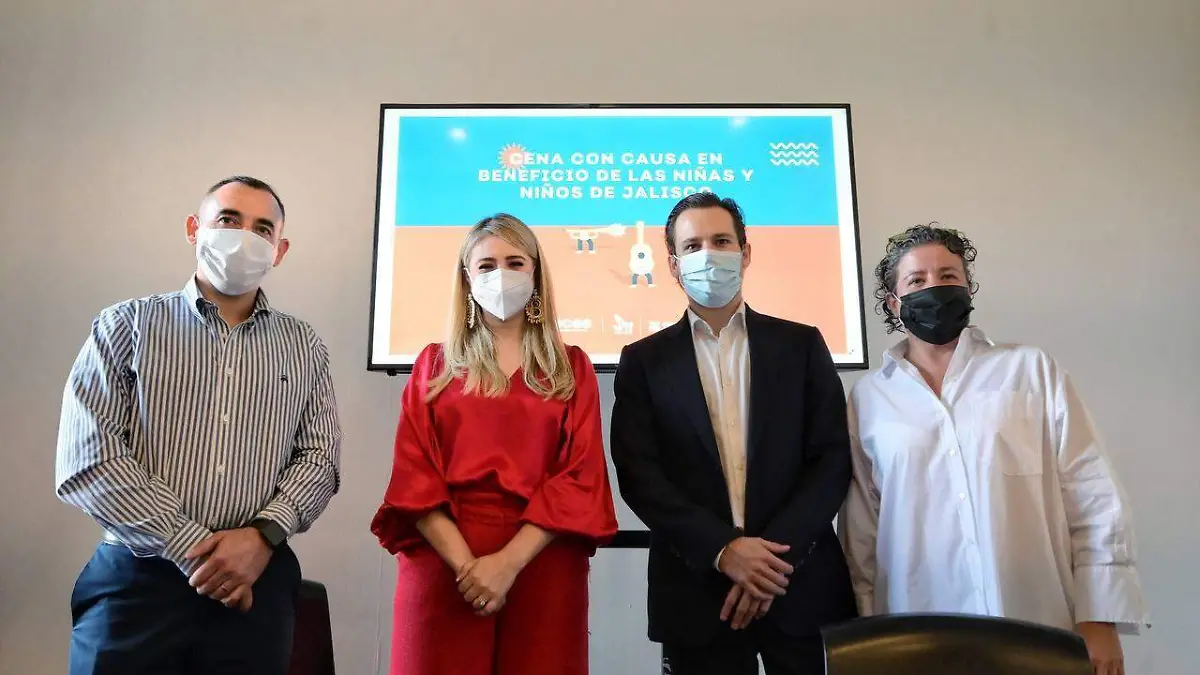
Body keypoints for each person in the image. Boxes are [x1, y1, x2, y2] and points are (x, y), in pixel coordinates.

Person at [55, 175, 343, 675]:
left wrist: (260, 538)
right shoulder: (126, 326)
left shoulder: (303, 346)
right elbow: (88, 460)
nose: (244, 237)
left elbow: (319, 460)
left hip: (257, 583)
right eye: (228, 220)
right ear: (194, 228)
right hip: (137, 582)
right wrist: (196, 550)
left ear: (280, 250)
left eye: (262, 229)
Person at [840, 223, 1149, 675]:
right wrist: (868, 631)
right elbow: (861, 527)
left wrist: (1099, 617)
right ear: (893, 302)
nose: (934, 289)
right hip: (919, 631)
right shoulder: (869, 398)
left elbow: (1092, 495)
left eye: (948, 276)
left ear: (968, 288)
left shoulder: (1030, 371)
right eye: (917, 280)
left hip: (1038, 624)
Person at [610, 192, 858, 675]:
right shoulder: (643, 361)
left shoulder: (801, 344)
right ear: (674, 265)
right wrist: (723, 551)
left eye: (721, 241)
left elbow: (831, 460)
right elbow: (640, 476)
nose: (708, 254)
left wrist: (767, 564)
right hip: (697, 595)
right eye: (693, 245)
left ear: (745, 253)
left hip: (799, 587)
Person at [370, 213, 618, 675]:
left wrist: (507, 563)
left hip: (543, 562)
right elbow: (414, 474)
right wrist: (469, 567)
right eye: (485, 265)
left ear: (536, 274)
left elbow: (580, 475)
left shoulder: (572, 368)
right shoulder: (433, 365)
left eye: (514, 262)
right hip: (444, 563)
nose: (500, 274)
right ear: (467, 279)